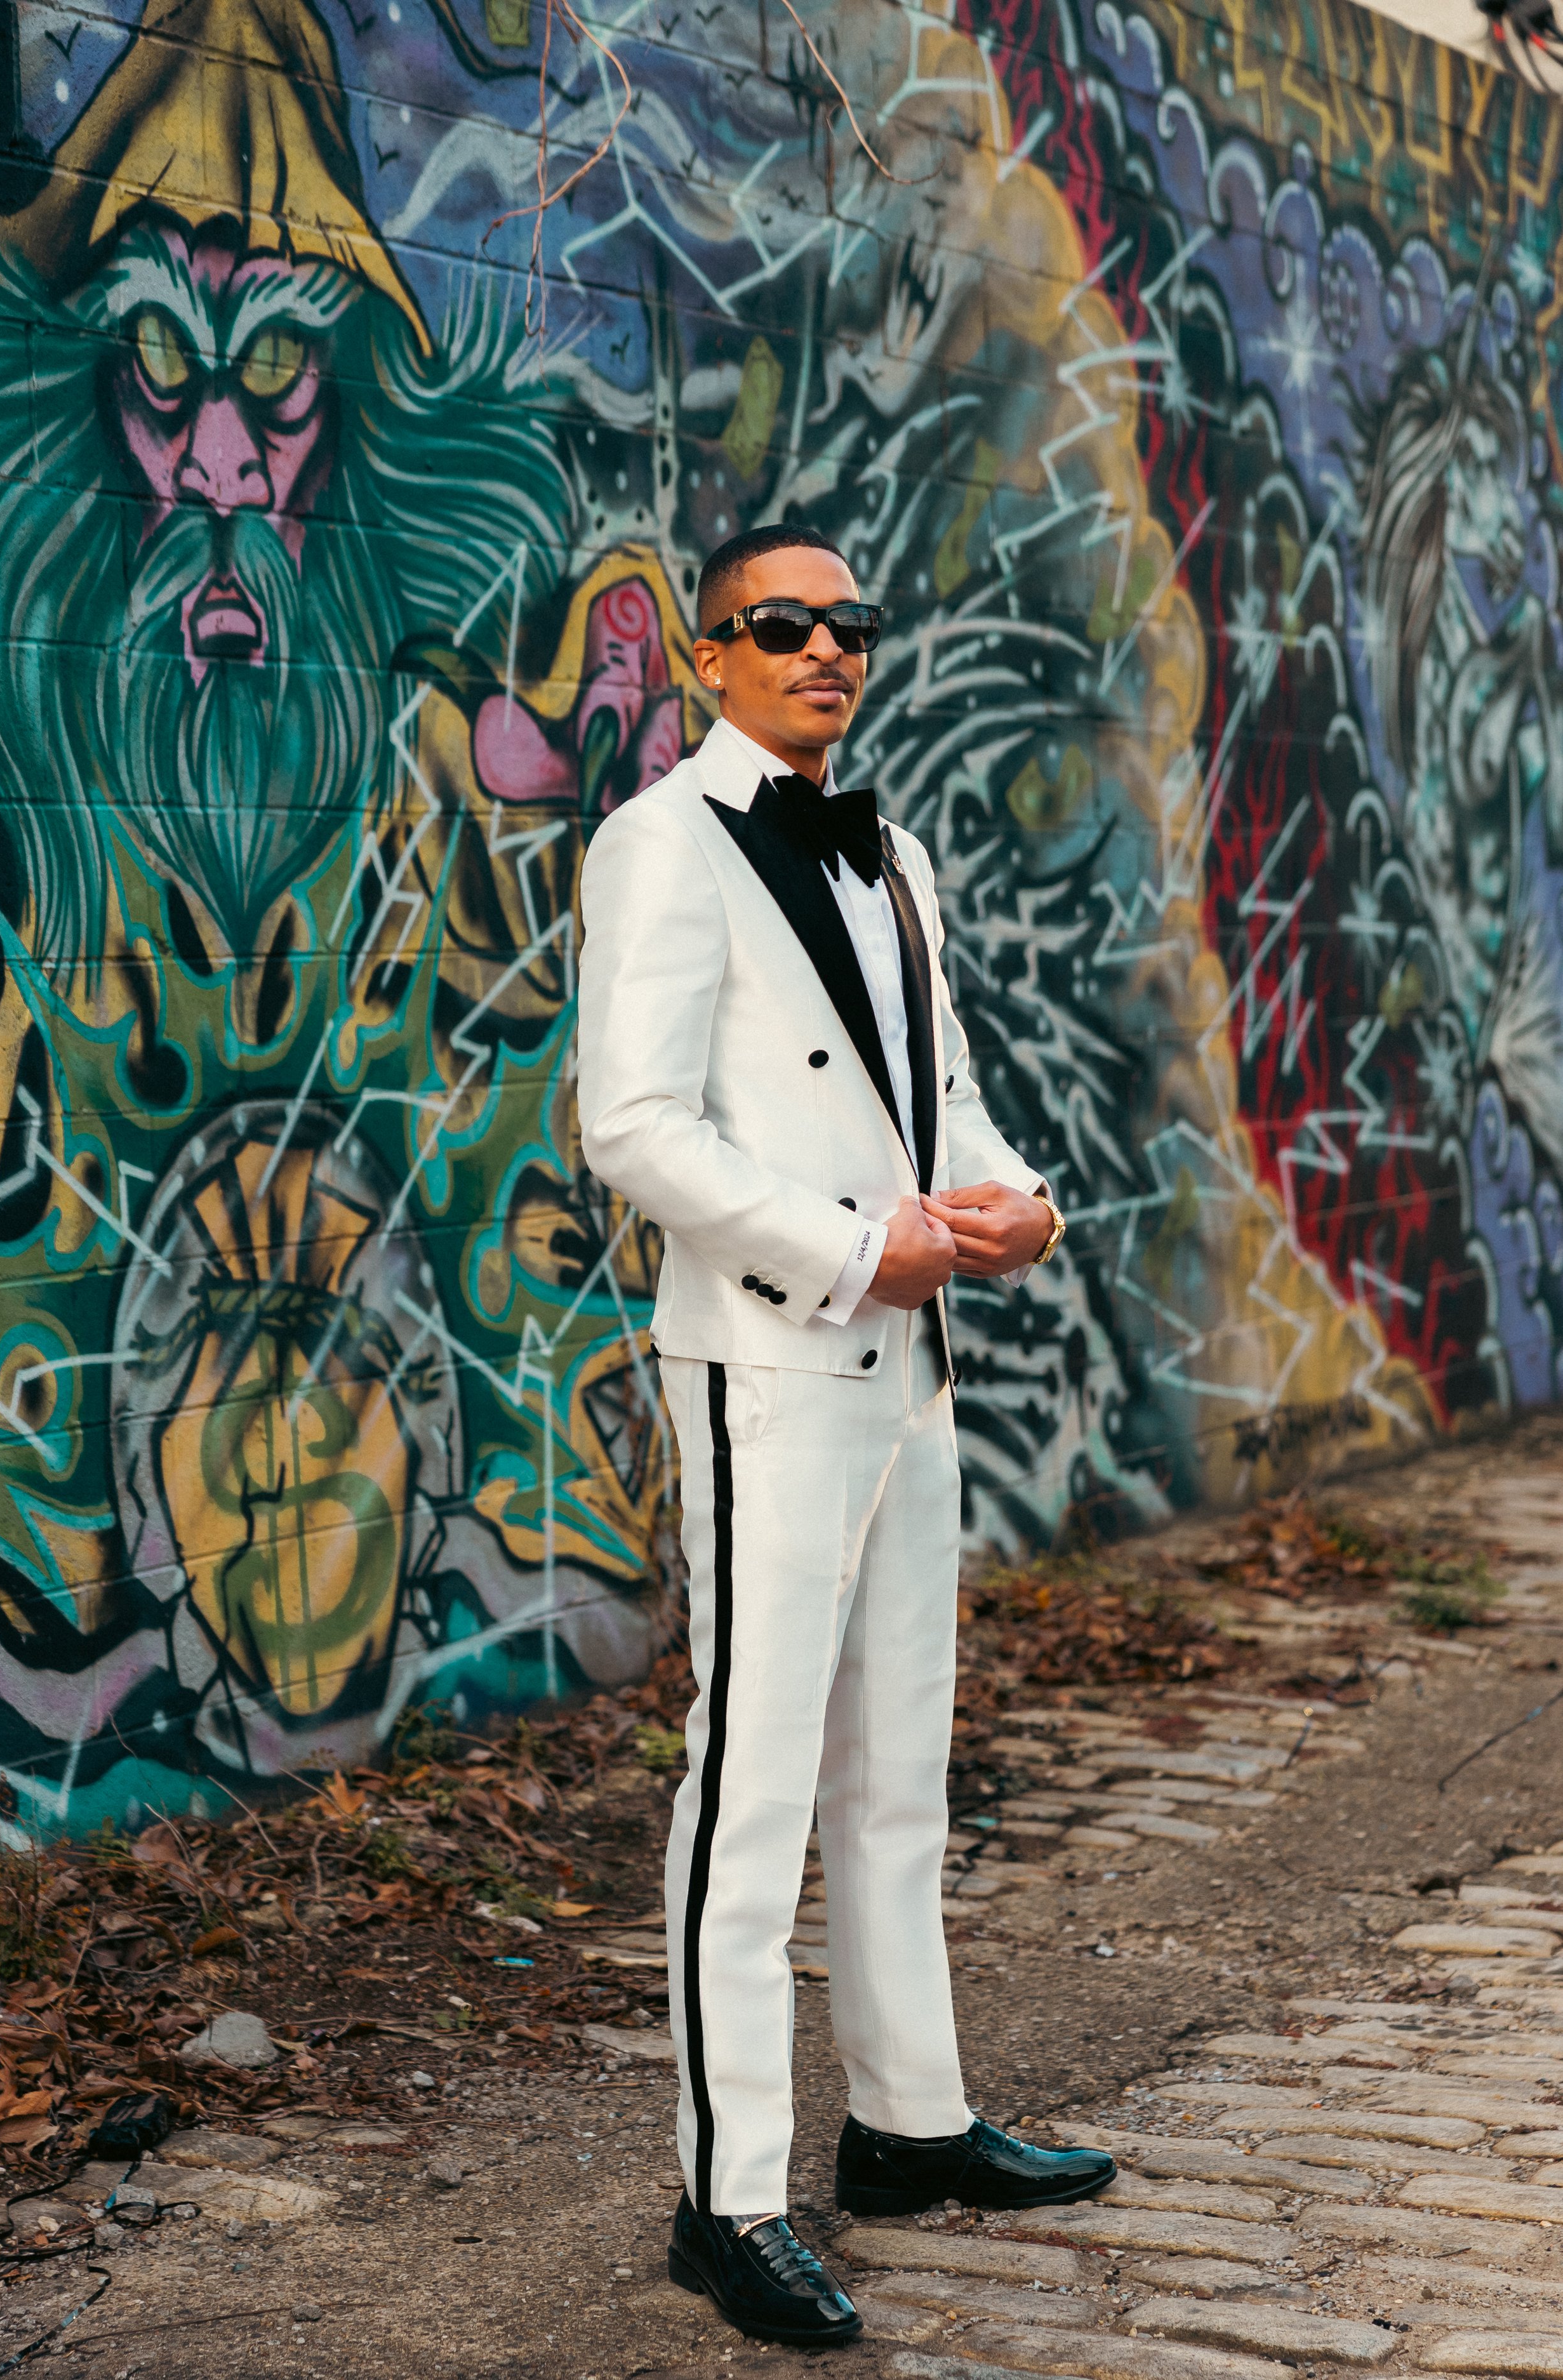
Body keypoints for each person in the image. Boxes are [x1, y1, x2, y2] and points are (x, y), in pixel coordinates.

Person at [576, 525, 1115, 2348]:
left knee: (899, 1773)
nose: (825, 649)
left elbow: (937, 1096)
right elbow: (633, 1127)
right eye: (782, 624)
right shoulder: (659, 846)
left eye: (847, 624)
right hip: (770, 1363)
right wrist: (844, 1248)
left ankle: (907, 2122)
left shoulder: (891, 853)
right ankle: (726, 2197)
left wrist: (1018, 1203)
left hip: (910, 1363)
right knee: (751, 1784)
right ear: (710, 657)